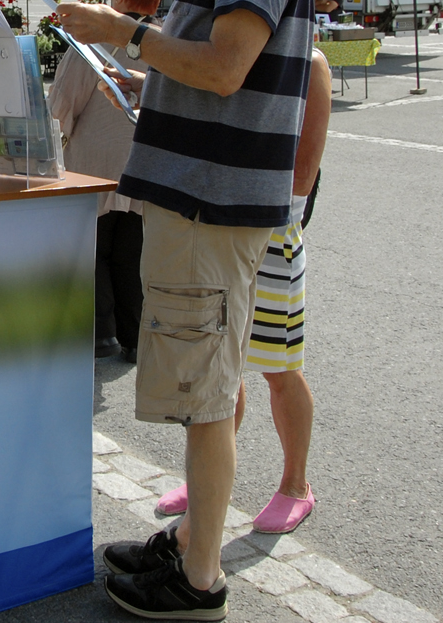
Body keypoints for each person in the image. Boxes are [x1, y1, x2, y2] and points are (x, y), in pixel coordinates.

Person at [57, 0, 313, 621]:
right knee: (207, 386)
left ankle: (198, 578)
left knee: (204, 397)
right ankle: (192, 547)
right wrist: (144, 70)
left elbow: (226, 65)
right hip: (202, 202)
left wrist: (128, 35)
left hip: (208, 207)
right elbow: (206, 67)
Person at [153, 47, 333, 534]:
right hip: (218, 224)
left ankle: (296, 485)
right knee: (218, 369)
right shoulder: (227, 56)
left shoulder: (308, 62)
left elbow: (303, 172)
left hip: (271, 229)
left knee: (280, 368)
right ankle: (205, 479)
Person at [46, 0, 164, 363]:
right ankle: (135, 337)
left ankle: (101, 333)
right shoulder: (163, 43)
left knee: (93, 251)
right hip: (142, 162)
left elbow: (61, 106)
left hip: (92, 163)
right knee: (133, 253)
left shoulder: (93, 43)